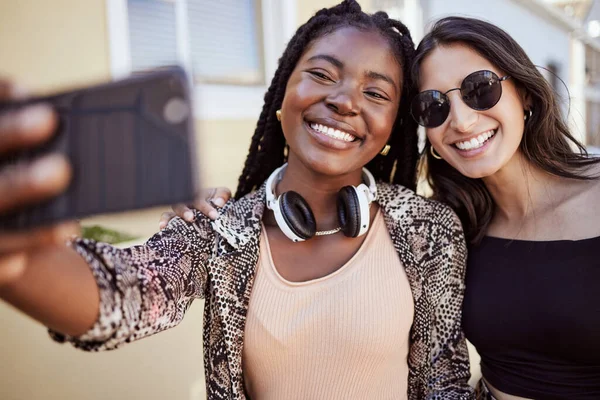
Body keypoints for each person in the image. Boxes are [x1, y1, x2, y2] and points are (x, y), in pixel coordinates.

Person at [0, 2, 474, 399]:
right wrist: (17, 264)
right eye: (322, 74)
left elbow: (443, 385)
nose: (345, 101)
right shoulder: (219, 227)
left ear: (393, 127)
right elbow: (126, 293)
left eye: (375, 92)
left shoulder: (428, 231)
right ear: (283, 93)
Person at [187, 14, 600, 400]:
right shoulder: (445, 229)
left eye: (480, 89)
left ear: (524, 94)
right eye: (433, 106)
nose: (461, 120)